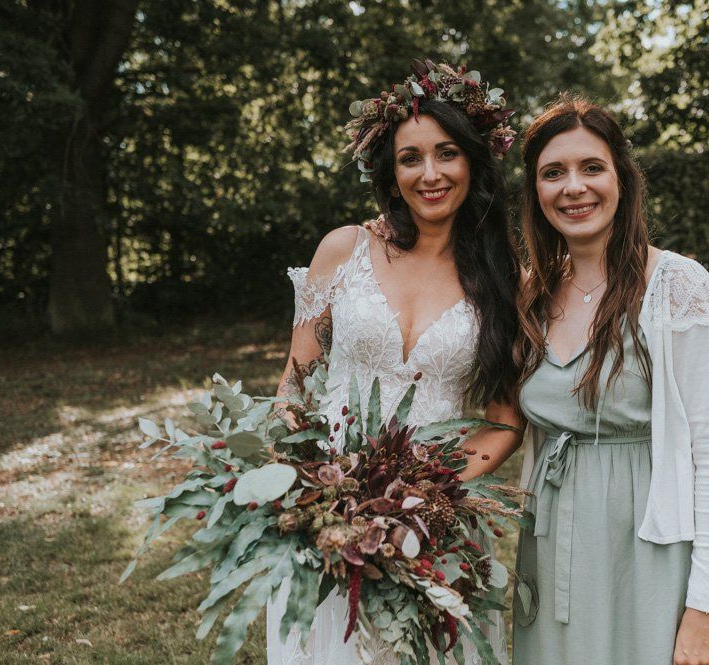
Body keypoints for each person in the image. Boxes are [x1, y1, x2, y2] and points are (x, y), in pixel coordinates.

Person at [266, 60, 522, 665]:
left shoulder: (505, 278)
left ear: (474, 164)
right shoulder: (343, 249)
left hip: (433, 518)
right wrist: (293, 482)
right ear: (390, 170)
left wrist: (427, 497)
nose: (429, 174)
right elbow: (294, 381)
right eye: (411, 158)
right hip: (325, 509)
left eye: (447, 154)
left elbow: (506, 421)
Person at [510, 94, 709, 665]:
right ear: (536, 192)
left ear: (622, 179)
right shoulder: (532, 295)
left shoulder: (678, 287)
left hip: (648, 548)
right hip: (550, 540)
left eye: (592, 167)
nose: (574, 187)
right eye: (553, 173)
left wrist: (704, 609)